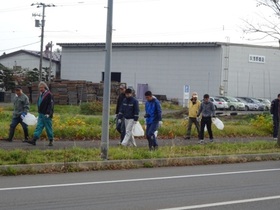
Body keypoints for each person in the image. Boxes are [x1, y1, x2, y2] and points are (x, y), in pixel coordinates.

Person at [27, 81, 54, 146]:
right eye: (39, 88)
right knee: (39, 127)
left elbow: (50, 105)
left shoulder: (49, 94)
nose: (40, 89)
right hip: (41, 113)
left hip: (46, 114)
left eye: (41, 87)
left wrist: (48, 113)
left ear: (45, 87)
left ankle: (51, 140)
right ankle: (34, 140)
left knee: (48, 128)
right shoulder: (41, 94)